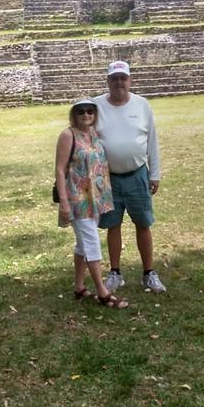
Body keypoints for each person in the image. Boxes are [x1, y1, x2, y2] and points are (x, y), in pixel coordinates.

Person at [94, 61, 166, 294]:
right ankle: (115, 273)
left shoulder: (142, 104)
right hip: (108, 179)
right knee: (112, 226)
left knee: (143, 224)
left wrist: (154, 174)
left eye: (123, 78)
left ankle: (148, 273)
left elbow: (152, 141)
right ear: (108, 81)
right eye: (114, 78)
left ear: (129, 80)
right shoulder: (96, 106)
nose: (119, 83)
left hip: (137, 176)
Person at [55, 98, 129, 309]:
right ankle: (102, 291)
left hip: (96, 198)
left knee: (83, 244)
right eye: (81, 112)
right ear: (74, 114)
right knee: (91, 242)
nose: (86, 115)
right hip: (77, 199)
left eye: (90, 111)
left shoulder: (93, 134)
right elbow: (60, 170)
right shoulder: (68, 135)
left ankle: (79, 287)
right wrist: (64, 202)